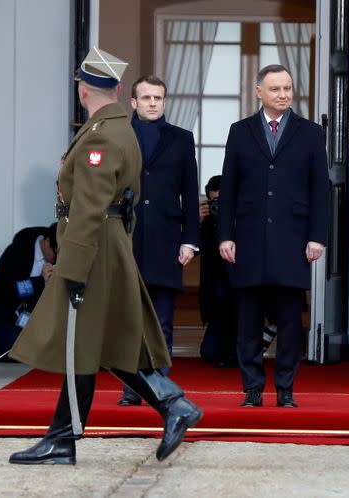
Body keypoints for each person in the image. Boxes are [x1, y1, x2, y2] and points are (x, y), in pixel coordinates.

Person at [8, 48, 202, 465]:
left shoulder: (101, 135)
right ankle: (67, 436)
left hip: (93, 249)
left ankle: (170, 406)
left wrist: (73, 265)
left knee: (91, 341)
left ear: (82, 90)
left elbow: (89, 207)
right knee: (97, 342)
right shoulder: (116, 129)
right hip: (106, 246)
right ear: (116, 90)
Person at [218, 64, 330, 408]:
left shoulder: (310, 133)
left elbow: (320, 190)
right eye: (276, 89)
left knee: (289, 320)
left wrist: (318, 237)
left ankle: (285, 389)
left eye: (287, 88)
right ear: (259, 92)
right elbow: (230, 187)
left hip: (293, 239)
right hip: (249, 238)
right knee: (248, 319)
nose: (283, 95)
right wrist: (225, 235)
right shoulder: (240, 131)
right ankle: (252, 388)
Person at [119, 75, 200, 406]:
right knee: (129, 320)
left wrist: (190, 240)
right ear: (134, 102)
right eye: (147, 97)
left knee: (162, 320)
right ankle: (131, 389)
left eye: (159, 98)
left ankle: (161, 390)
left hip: (167, 240)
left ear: (165, 102)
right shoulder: (120, 137)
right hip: (126, 237)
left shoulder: (181, 139)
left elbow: (190, 194)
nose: (153, 103)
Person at [0, 223, 58, 361]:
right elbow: (8, 291)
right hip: (2, 319)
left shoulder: (53, 259)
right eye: (56, 252)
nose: (57, 258)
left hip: (27, 322)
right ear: (47, 241)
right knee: (25, 349)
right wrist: (40, 282)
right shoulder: (17, 251)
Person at [198, 175, 238, 367]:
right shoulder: (205, 223)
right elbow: (191, 250)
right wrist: (198, 222)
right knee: (209, 353)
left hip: (238, 292)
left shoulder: (241, 220)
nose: (219, 207)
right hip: (215, 296)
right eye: (215, 202)